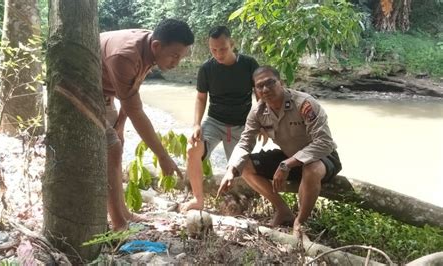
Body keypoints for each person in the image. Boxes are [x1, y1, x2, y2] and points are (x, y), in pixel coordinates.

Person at [217, 65, 342, 236]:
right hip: (289, 158)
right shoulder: (258, 111)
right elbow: (245, 142)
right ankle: (283, 211)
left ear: (281, 82)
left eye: (270, 83)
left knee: (311, 168)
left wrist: (287, 164)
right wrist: (231, 170)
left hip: (323, 158)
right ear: (256, 90)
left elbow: (324, 142)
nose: (265, 89)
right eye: (260, 86)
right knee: (245, 166)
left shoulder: (304, 104)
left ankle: (300, 222)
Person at [101, 19, 194, 230]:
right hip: (83, 86)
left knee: (117, 144)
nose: (176, 63)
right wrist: (163, 156)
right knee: (111, 148)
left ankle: (124, 213)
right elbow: (135, 108)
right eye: (175, 56)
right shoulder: (125, 55)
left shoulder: (151, 46)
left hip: (106, 91)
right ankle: (118, 224)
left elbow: (131, 91)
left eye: (180, 57)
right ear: (156, 46)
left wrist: (120, 126)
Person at [180, 26, 259, 212]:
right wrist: (196, 124)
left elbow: (261, 97)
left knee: (242, 168)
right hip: (215, 121)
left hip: (243, 124)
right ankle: (197, 200)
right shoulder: (207, 69)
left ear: (232, 44)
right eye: (213, 50)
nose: (218, 54)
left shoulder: (249, 64)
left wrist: (262, 123)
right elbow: (201, 98)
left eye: (222, 49)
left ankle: (241, 199)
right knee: (193, 149)